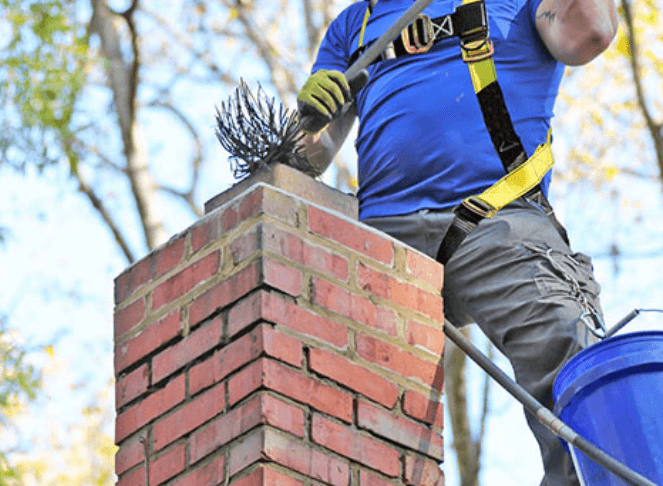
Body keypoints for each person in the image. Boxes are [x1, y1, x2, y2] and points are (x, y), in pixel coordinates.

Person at [296, 0, 617, 483]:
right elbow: (310, 155)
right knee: (338, 394)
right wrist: (308, 115)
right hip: (383, 239)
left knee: (571, 367)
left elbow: (587, 35)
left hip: (498, 222)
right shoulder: (354, 23)